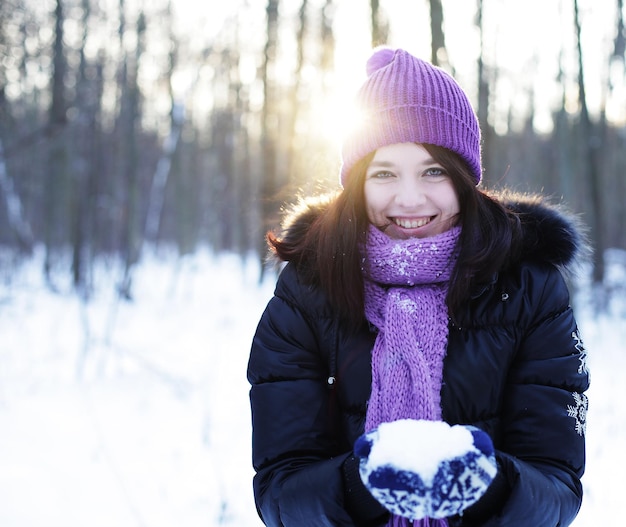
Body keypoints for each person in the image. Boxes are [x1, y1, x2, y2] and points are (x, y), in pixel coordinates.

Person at [247, 47, 590, 527]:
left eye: (434, 171)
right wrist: (360, 486)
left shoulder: (529, 288)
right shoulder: (308, 291)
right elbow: (282, 489)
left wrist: (489, 487)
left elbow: (556, 483)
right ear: (357, 185)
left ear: (465, 179)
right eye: (384, 173)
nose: (409, 199)